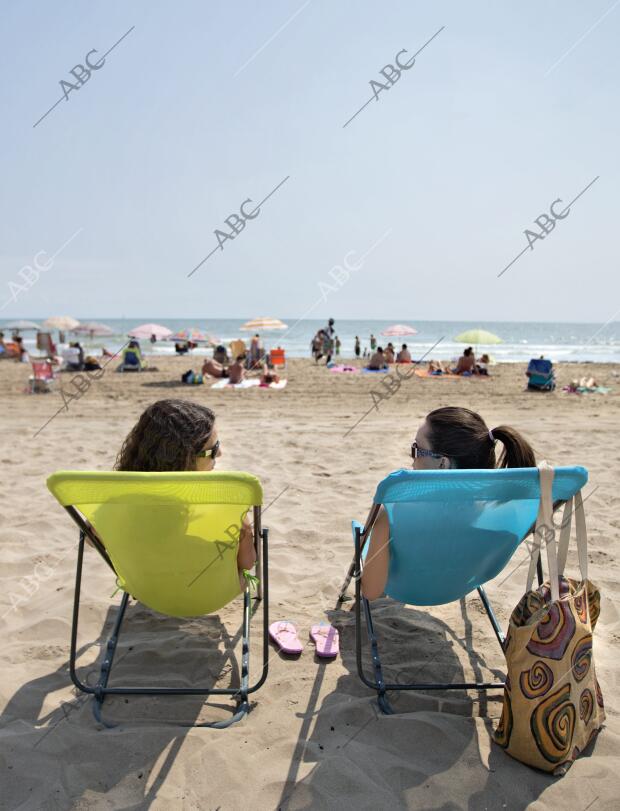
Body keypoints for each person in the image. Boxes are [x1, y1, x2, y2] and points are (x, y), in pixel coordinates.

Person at [361, 407, 536, 599]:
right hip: (461, 587)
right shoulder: (503, 511)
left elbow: (371, 592)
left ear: (442, 463)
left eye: (416, 450)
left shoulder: (396, 511)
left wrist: (370, 532)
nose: (412, 460)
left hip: (406, 589)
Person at [115, 400, 255, 588]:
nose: (220, 453)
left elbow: (94, 540)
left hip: (146, 589)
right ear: (185, 458)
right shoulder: (226, 503)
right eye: (213, 450)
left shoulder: (117, 502)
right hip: (210, 594)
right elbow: (247, 564)